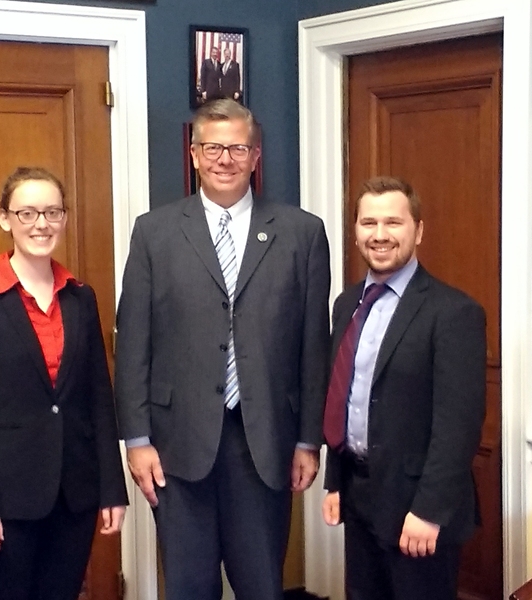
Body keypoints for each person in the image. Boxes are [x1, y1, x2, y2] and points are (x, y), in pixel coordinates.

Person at [115, 98, 331, 599]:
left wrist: (307, 440)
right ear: (193, 155)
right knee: (189, 587)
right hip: (175, 444)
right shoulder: (155, 232)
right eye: (213, 148)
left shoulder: (302, 233)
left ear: (256, 156)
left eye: (238, 148)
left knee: (261, 586)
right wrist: (137, 438)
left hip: (266, 442)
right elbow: (133, 344)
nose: (225, 159)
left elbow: (312, 347)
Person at [0, 166, 128, 600]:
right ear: (5, 219)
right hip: (3, 504)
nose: (41, 224)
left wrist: (111, 490)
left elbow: (99, 399)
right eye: (26, 213)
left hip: (73, 498)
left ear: (64, 218)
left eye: (51, 212)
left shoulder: (81, 297)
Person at [321, 176, 486, 600]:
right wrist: (335, 482)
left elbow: (459, 427)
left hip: (417, 507)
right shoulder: (347, 305)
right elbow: (345, 397)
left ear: (418, 230)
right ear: (355, 230)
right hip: (359, 498)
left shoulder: (453, 313)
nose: (379, 235)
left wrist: (428, 512)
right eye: (368, 223)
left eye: (393, 223)